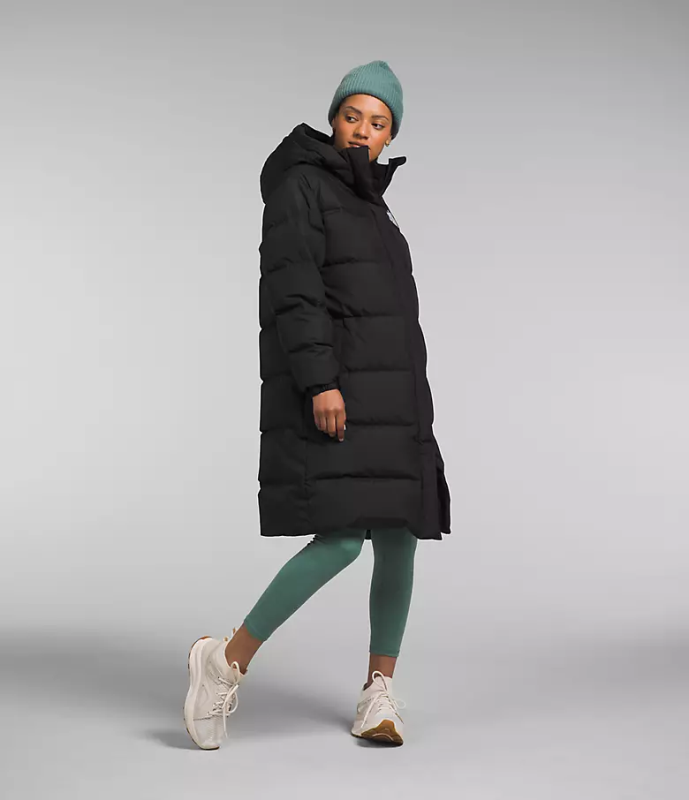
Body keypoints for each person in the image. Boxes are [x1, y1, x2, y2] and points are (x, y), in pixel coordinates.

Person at [183, 59, 451, 751]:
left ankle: (378, 692)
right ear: (333, 120)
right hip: (344, 392)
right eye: (352, 115)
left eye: (378, 122)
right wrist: (318, 381)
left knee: (399, 536)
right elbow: (293, 290)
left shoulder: (372, 204)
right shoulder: (302, 185)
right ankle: (225, 661)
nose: (363, 130)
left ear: (390, 135)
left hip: (395, 399)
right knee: (340, 539)